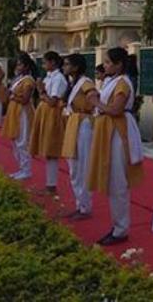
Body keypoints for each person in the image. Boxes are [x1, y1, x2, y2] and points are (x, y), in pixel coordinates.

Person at [88, 47, 144, 246]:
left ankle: (121, 229)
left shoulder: (122, 83)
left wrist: (96, 102)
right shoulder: (112, 81)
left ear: (119, 64)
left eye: (109, 62)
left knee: (118, 180)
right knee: (112, 179)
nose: (105, 65)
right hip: (109, 131)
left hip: (118, 132)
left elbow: (116, 109)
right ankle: (117, 225)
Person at [62, 53, 98, 220]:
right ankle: (80, 203)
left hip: (83, 123)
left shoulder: (85, 83)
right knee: (73, 165)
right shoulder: (73, 83)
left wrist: (89, 108)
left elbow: (93, 96)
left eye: (67, 64)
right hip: (74, 121)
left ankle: (85, 206)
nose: (65, 67)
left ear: (76, 67)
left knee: (82, 165)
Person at [30, 51, 68, 194]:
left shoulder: (58, 78)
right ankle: (49, 184)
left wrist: (40, 91)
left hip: (52, 114)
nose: (43, 64)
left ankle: (51, 185)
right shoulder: (50, 77)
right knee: (47, 150)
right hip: (45, 113)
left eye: (45, 62)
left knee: (51, 150)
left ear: (53, 62)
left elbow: (52, 101)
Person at [3, 53, 37, 180]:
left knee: (22, 142)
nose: (18, 66)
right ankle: (21, 168)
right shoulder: (18, 79)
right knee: (15, 141)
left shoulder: (28, 81)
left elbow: (25, 100)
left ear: (26, 66)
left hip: (23, 112)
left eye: (20, 64)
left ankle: (26, 169)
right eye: (17, 64)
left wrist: (12, 96)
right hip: (14, 111)